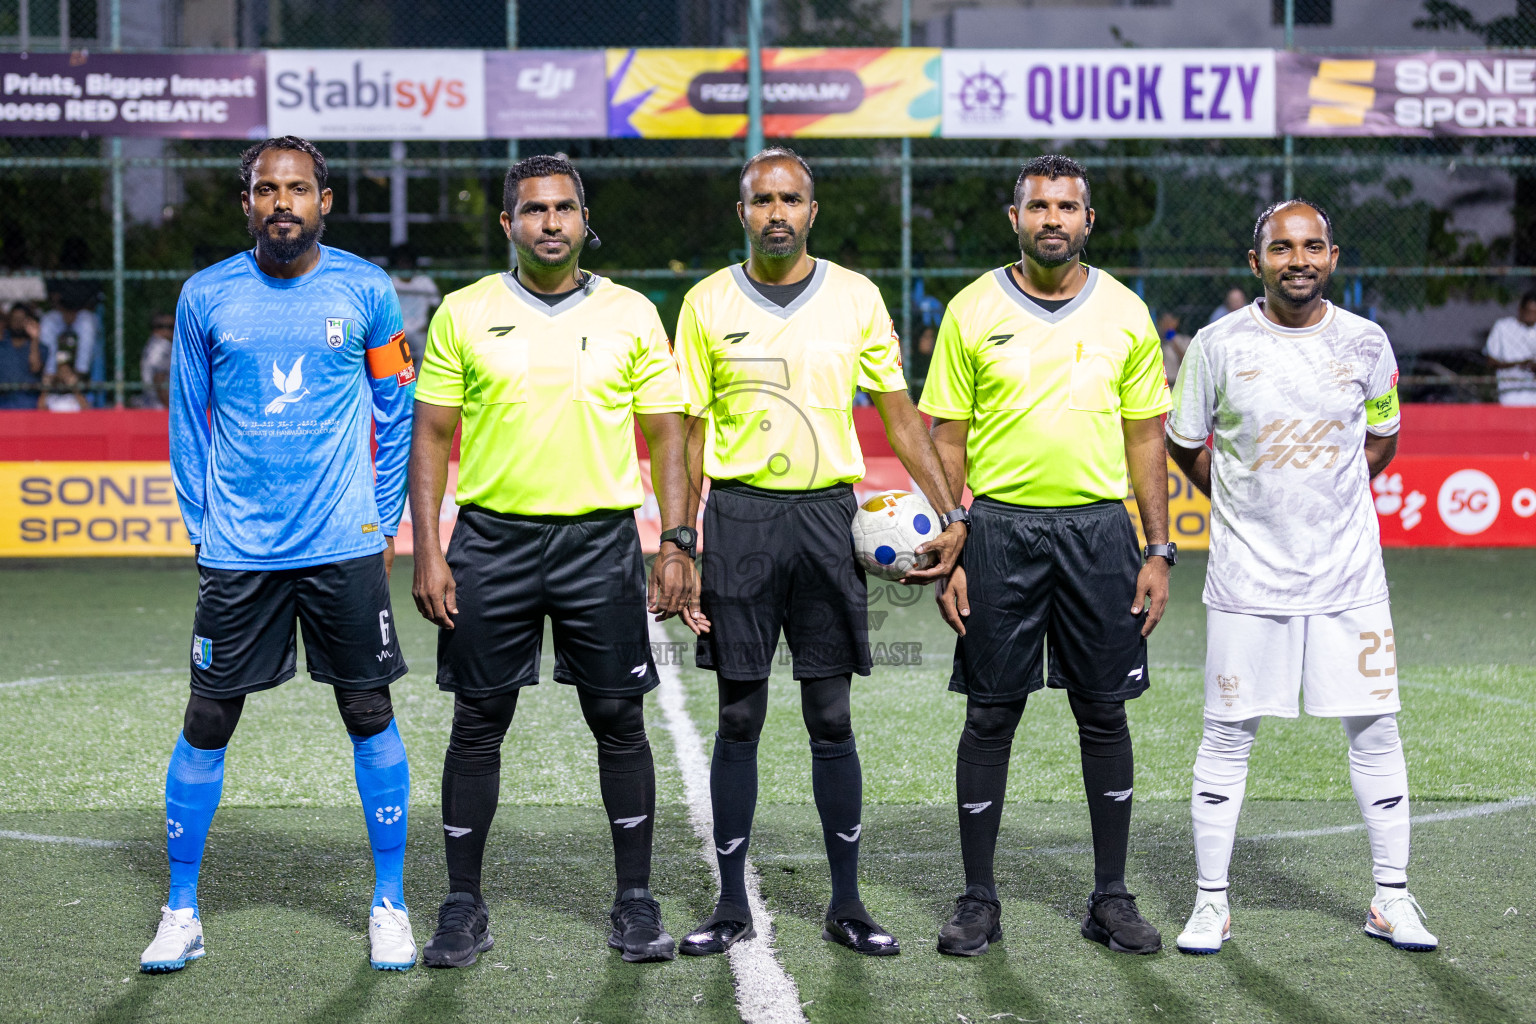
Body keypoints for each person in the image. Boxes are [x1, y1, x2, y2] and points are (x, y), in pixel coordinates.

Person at [674, 147, 967, 958]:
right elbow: (689, 434)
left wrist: (954, 512)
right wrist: (682, 541)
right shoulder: (704, 302)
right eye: (762, 199)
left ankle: (847, 903)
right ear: (742, 211)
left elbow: (900, 415)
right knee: (739, 714)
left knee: (830, 715)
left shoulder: (856, 296)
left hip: (828, 520)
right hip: (739, 517)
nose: (777, 212)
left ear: (812, 210)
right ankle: (729, 904)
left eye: (791, 199)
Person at [409, 154, 695, 968]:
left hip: (598, 542)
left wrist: (676, 541)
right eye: (534, 210)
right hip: (490, 542)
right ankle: (462, 905)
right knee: (477, 723)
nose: (550, 222)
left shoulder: (632, 313)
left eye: (564, 208)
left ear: (583, 220)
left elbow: (668, 435)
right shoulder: (464, 312)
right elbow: (431, 436)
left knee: (618, 720)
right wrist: (428, 548)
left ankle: (635, 901)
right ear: (509, 224)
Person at [142, 136, 418, 974]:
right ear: (248, 203)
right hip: (241, 551)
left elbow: (396, 405)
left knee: (367, 710)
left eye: (298, 189)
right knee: (207, 717)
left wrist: (382, 520)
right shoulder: (206, 296)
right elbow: (187, 421)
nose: (282, 203)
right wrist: (203, 526)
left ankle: (390, 903)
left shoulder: (368, 290)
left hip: (342, 544)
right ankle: (181, 909)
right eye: (267, 190)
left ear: (323, 202)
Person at [1165, 199, 1435, 955]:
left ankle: (1391, 898)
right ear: (1257, 262)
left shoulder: (1367, 343)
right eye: (1282, 248)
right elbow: (1184, 444)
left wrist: (1328, 500)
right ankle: (1210, 904)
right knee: (1227, 736)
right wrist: (1241, 501)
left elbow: (1382, 437)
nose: (1299, 260)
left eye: (1312, 247)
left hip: (1350, 579)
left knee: (1375, 729)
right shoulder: (1216, 345)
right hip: (1248, 581)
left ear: (1333, 257)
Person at [920, 154, 1174, 958]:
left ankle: (1111, 897)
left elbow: (1145, 438)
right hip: (998, 530)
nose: (1052, 219)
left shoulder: (1126, 312)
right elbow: (947, 438)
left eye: (1067, 207)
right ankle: (977, 899)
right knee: (990, 713)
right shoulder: (971, 309)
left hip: (1099, 533)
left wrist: (1159, 548)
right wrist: (953, 539)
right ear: (1016, 218)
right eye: (1038, 206)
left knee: (1103, 710)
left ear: (1087, 220)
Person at [389, 244, 439, 377]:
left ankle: (418, 384)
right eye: (401, 262)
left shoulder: (424, 281)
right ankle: (395, 384)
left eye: (408, 262)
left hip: (419, 330)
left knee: (427, 353)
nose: (405, 265)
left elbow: (437, 306)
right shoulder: (391, 281)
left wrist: (430, 326)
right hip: (396, 330)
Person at [1483, 290, 1536, 406]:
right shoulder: (1503, 327)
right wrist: (1519, 364)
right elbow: (1491, 361)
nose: (1532, 317)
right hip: (1509, 394)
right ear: (1521, 309)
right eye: (1530, 312)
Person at [0, 302, 42, 409]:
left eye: (22, 319)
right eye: (15, 319)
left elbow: (35, 368)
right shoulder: (2, 345)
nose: (18, 322)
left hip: (28, 400)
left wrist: (34, 339)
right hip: (3, 399)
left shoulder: (39, 347)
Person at [38, 330, 86, 411]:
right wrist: (45, 389)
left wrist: (75, 389)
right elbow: (40, 410)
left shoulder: (76, 390)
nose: (64, 373)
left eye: (67, 371)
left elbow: (87, 411)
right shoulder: (51, 391)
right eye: (61, 370)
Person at [139, 313, 174, 409]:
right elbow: (159, 376)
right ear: (158, 328)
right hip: (159, 405)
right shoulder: (161, 347)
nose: (174, 331)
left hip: (153, 402)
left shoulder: (153, 344)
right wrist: (169, 406)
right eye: (171, 327)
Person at [1158, 310, 1191, 384]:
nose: (1167, 324)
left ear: (1176, 322)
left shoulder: (1184, 340)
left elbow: (1187, 362)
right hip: (1161, 382)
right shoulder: (1156, 340)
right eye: (1164, 321)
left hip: (1176, 382)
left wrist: (1173, 341)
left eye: (1170, 321)